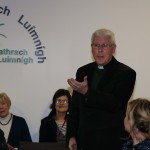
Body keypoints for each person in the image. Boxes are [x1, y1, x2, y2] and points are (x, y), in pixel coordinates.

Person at [67, 28, 136, 150]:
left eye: (104, 45)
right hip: (84, 141)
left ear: (113, 48)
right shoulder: (83, 71)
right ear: (91, 47)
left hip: (110, 142)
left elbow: (115, 103)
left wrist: (87, 92)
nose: (99, 50)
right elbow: (75, 108)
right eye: (96, 45)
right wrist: (72, 135)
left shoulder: (126, 73)